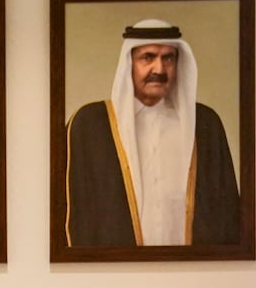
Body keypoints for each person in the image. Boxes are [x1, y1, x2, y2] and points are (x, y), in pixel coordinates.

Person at [64, 18, 240, 247]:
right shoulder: (89, 125)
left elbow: (227, 214)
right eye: (147, 57)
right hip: (113, 274)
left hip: (194, 272)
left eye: (168, 58)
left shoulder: (205, 124)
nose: (159, 69)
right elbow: (71, 213)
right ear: (129, 63)